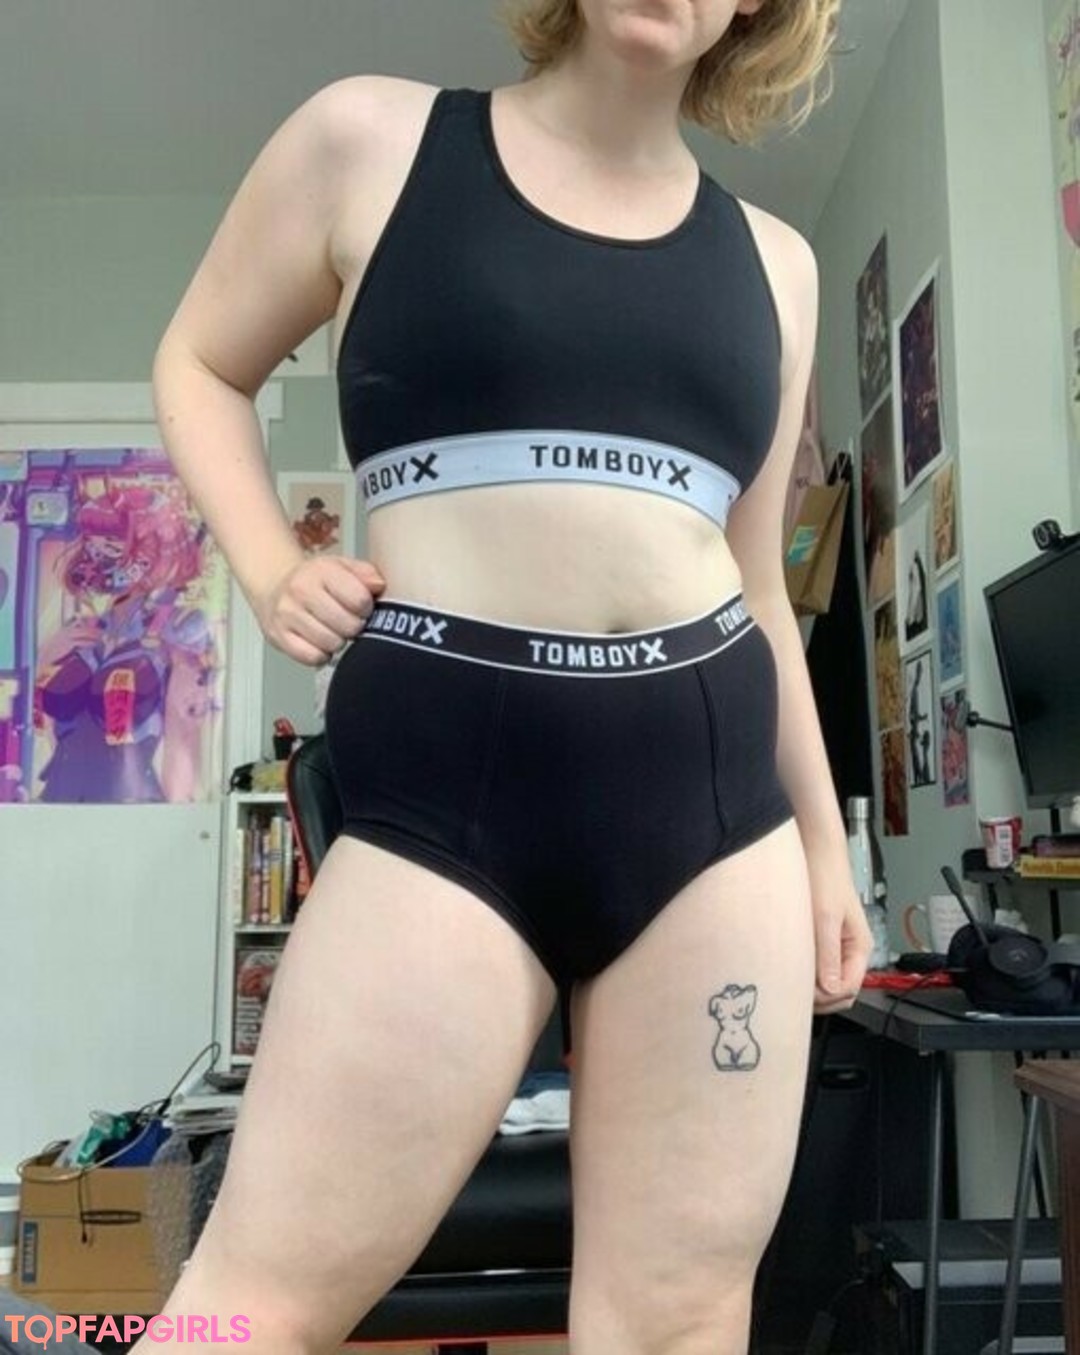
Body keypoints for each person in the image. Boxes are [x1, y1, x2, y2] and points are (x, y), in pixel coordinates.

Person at [146, 2, 867, 1352]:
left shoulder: (780, 265)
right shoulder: (370, 139)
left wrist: (828, 852)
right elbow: (198, 361)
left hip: (715, 827)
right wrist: (269, 565)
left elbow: (758, 582)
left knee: (679, 1320)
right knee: (248, 1308)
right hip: (444, 808)